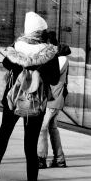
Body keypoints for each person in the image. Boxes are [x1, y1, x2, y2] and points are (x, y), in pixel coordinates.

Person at [0, 12, 66, 181]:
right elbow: (54, 79)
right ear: (41, 32)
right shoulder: (49, 52)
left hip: (13, 99)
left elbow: (5, 63)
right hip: (35, 104)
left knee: (4, 133)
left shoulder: (16, 48)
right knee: (30, 149)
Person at [38, 31, 71, 169]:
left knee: (42, 128)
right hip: (53, 98)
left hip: (54, 98)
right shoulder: (58, 58)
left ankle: (41, 158)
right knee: (52, 128)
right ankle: (59, 159)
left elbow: (52, 76)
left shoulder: (61, 59)